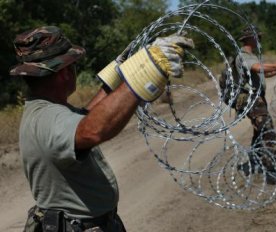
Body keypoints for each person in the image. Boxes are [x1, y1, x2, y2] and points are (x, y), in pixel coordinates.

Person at [10, 26, 193, 232]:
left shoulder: (48, 111)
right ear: (64, 73)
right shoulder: (47, 118)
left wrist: (120, 75)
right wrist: (146, 74)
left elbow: (85, 118)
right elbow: (92, 129)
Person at [233, 25, 276, 185]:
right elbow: (258, 68)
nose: (260, 39)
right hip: (251, 99)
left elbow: (264, 73)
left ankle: (254, 162)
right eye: (257, 37)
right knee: (268, 132)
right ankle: (270, 171)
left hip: (257, 98)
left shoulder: (251, 55)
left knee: (259, 132)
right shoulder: (244, 56)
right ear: (250, 38)